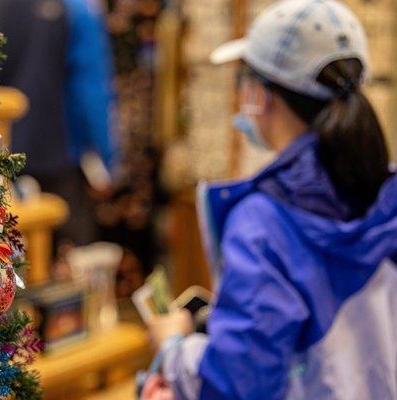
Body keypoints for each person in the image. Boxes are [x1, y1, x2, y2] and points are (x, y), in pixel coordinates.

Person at [144, 1, 397, 399]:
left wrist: (174, 348)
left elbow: (236, 383)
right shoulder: (383, 194)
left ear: (259, 95)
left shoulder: (263, 224)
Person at [0, 0, 117, 246]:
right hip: (60, 162)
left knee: (1, 257)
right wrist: (105, 161)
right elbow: (90, 91)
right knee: (68, 264)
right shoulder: (78, 9)